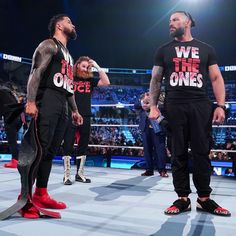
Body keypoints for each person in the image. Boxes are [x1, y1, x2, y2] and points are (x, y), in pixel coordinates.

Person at [149, 11, 231, 216]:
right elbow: (156, 80)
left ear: (188, 22)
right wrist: (152, 106)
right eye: (169, 20)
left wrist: (221, 105)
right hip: (174, 105)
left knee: (202, 152)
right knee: (177, 153)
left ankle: (204, 198)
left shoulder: (206, 49)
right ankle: (182, 198)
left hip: (200, 105)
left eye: (175, 19)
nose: (170, 23)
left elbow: (216, 78)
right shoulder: (163, 50)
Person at [21, 14, 83, 219]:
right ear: (59, 25)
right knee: (39, 150)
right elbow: (36, 72)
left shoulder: (69, 55)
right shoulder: (49, 44)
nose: (73, 25)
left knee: (50, 152)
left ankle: (41, 193)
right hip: (46, 99)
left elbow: (69, 87)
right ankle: (25, 199)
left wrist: (74, 110)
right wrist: (30, 101)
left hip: (62, 104)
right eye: (69, 21)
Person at [62, 56, 110, 185]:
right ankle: (66, 175)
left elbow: (106, 82)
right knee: (68, 144)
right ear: (77, 65)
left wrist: (97, 66)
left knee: (83, 145)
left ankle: (79, 174)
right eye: (84, 66)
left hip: (86, 115)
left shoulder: (89, 80)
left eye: (88, 67)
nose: (86, 69)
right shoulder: (69, 77)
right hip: (71, 114)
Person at [134, 92, 168, 177]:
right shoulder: (143, 96)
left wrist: (152, 105)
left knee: (160, 149)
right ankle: (149, 170)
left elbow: (165, 107)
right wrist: (143, 102)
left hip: (157, 127)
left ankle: (162, 170)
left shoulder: (161, 96)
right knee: (147, 150)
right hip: (145, 127)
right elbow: (136, 105)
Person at [0, 82, 24, 168]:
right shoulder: (9, 92)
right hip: (18, 117)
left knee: (12, 140)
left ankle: (15, 160)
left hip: (11, 117)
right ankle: (17, 159)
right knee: (13, 140)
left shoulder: (2, 92)